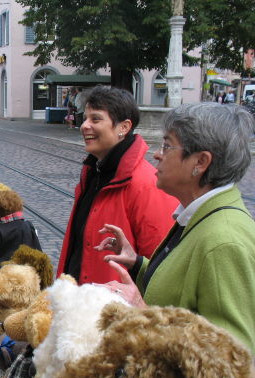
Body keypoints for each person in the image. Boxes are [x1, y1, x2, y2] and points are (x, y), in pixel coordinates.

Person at [96, 103, 255, 354]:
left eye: (167, 146)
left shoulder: (223, 241)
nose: (157, 154)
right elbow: (183, 289)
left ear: (200, 162)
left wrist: (143, 315)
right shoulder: (198, 215)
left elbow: (231, 356)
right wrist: (137, 264)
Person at [57, 86, 178, 285]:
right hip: (81, 297)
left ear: (124, 127)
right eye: (85, 118)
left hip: (113, 302)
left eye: (95, 119)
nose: (84, 125)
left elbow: (160, 265)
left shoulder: (146, 184)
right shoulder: (94, 172)